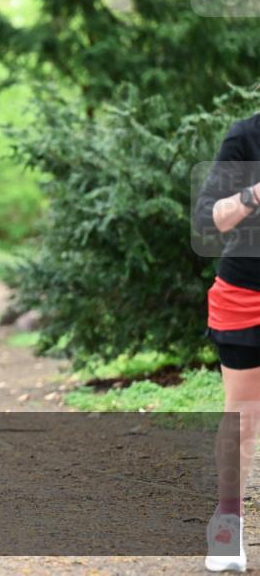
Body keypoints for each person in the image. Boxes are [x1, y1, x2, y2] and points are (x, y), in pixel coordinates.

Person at [193, 113, 260, 572]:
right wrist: (255, 194)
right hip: (247, 293)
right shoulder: (247, 136)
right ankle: (227, 525)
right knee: (245, 417)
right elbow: (208, 218)